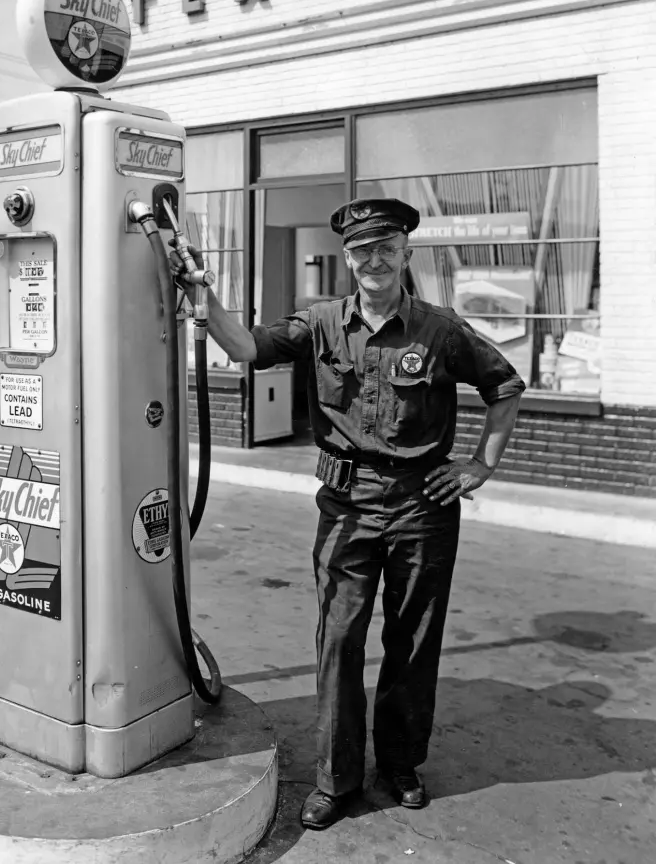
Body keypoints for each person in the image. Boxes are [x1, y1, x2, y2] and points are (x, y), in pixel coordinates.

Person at [170, 197, 525, 829]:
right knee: (339, 640)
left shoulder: (439, 330)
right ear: (347, 258)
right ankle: (337, 780)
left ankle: (401, 764)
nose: (376, 260)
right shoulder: (321, 324)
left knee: (412, 640)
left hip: (424, 504)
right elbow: (246, 346)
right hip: (346, 505)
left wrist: (479, 466)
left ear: (405, 254)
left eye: (387, 248)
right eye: (363, 250)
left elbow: (503, 387)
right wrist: (205, 296)